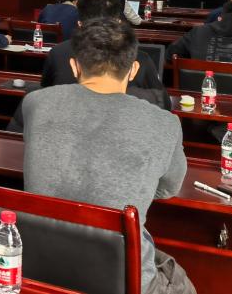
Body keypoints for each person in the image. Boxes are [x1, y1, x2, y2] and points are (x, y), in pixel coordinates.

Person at [20, 18, 194, 294]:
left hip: (36, 262)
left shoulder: (35, 103)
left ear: (74, 66)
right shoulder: (165, 123)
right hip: (121, 277)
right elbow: (169, 188)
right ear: (133, 69)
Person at [21, 0, 167, 124]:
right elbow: (163, 103)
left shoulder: (58, 53)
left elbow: (46, 92)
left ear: (80, 24)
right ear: (118, 23)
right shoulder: (140, 58)